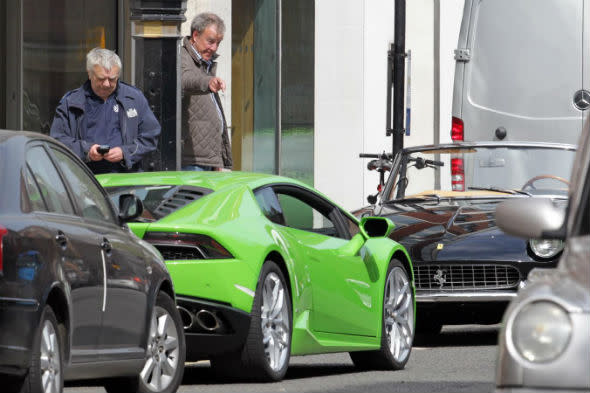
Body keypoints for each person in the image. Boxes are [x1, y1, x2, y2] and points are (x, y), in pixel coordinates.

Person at [50, 47, 160, 174]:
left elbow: (151, 135)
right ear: (89, 74)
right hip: (85, 178)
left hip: (126, 178)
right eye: (101, 79)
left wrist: (125, 152)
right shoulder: (71, 102)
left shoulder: (134, 98)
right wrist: (87, 151)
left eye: (112, 79)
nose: (107, 84)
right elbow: (58, 140)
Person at [181, 12, 232, 171]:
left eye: (218, 43)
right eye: (211, 41)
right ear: (195, 35)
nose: (214, 48)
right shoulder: (182, 56)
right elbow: (185, 79)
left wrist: (218, 160)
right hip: (192, 160)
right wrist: (207, 82)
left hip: (207, 160)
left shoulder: (205, 63)